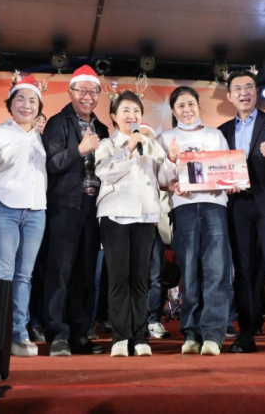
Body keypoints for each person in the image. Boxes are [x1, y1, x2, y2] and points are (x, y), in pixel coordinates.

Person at [95, 90, 177, 357]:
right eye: (126, 111)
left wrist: (171, 160)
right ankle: (120, 337)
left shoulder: (150, 143)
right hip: (115, 216)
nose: (132, 116)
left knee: (141, 279)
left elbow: (164, 178)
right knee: (119, 279)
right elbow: (104, 172)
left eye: (136, 111)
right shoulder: (107, 144)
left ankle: (141, 337)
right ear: (114, 116)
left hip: (145, 217)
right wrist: (128, 148)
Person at [0, 74, 47, 357]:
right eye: (20, 99)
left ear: (39, 106)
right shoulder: (0, 132)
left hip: (36, 210)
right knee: (3, 272)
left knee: (24, 276)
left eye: (32, 100)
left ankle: (19, 333)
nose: (26, 105)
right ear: (10, 104)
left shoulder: (42, 136)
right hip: (3, 207)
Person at [218, 70, 265, 355]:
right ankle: (247, 333)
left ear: (256, 92)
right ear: (229, 96)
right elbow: (218, 169)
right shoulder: (222, 131)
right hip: (238, 206)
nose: (244, 92)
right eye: (237, 88)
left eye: (249, 87)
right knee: (244, 272)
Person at [159, 87, 232, 356]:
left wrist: (232, 181)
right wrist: (171, 161)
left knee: (216, 270)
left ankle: (213, 334)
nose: (187, 109)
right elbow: (161, 179)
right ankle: (191, 333)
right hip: (184, 209)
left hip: (214, 206)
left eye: (191, 103)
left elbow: (228, 169)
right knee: (189, 273)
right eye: (181, 106)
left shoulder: (215, 135)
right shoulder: (165, 137)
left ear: (198, 105)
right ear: (173, 110)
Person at [42, 65, 109, 357]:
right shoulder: (58, 123)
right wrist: (79, 150)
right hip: (64, 207)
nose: (87, 96)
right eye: (82, 90)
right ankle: (57, 334)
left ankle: (80, 333)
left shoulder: (103, 128)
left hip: (93, 209)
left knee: (85, 274)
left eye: (93, 91)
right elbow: (51, 163)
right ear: (70, 92)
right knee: (59, 271)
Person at [140, 123, 172, 341]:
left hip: (157, 227)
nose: (145, 139)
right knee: (133, 277)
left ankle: (153, 320)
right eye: (141, 135)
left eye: (149, 135)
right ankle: (134, 321)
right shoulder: (129, 161)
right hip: (132, 225)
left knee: (156, 277)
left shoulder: (160, 164)